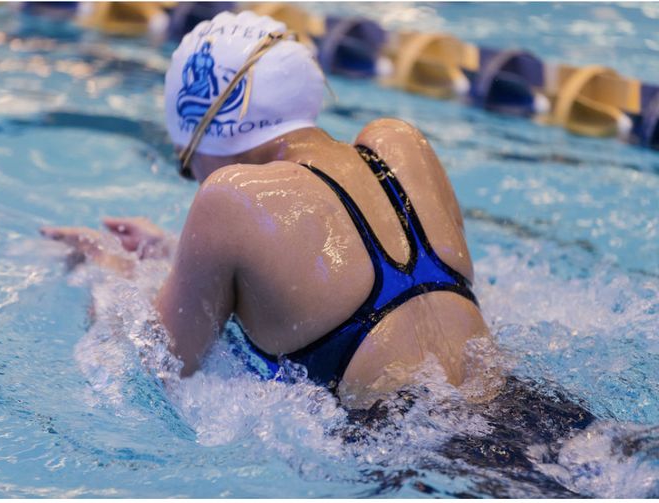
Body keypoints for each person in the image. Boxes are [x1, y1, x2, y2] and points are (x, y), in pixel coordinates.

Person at [41, 10, 501, 408]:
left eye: (187, 163)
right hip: (528, 409)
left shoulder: (230, 195)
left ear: (209, 133)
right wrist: (176, 254)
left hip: (416, 457)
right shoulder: (401, 146)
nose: (197, 179)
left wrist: (111, 277)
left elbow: (160, 365)